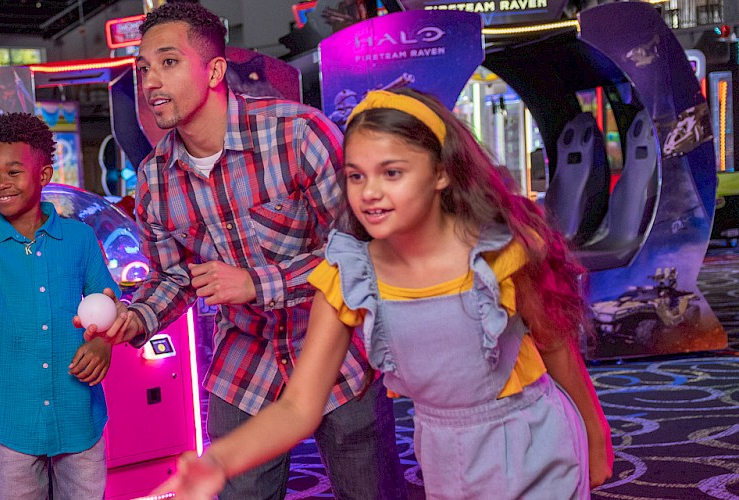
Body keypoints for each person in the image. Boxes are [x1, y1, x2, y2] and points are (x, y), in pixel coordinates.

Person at [151, 88, 616, 499]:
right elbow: (298, 407)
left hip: (532, 440)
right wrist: (219, 461)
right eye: (356, 176)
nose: (369, 193)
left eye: (391, 173)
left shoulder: (498, 252)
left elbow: (556, 345)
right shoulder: (350, 275)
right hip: (444, 453)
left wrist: (596, 437)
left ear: (440, 173)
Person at [78, 3, 404, 498]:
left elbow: (359, 253)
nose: (150, 81)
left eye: (168, 62)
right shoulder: (154, 179)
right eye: (143, 68)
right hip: (245, 361)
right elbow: (174, 277)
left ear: (214, 71)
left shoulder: (299, 134)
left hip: (340, 353)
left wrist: (258, 283)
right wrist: (133, 317)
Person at [0, 112, 118, 499]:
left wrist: (103, 343)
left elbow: (108, 300)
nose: (0, 183)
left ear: (44, 175)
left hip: (77, 415)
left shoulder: (79, 238)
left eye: (13, 172)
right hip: (9, 424)